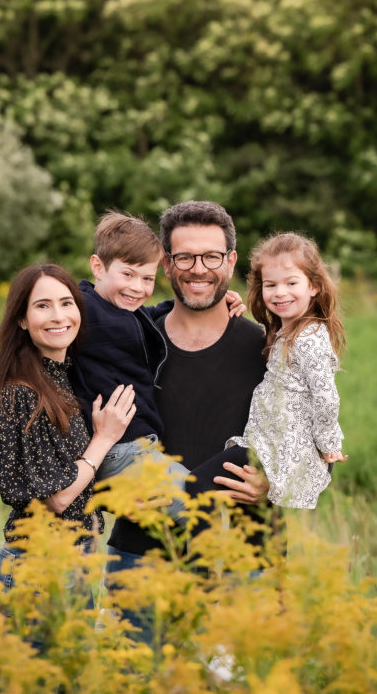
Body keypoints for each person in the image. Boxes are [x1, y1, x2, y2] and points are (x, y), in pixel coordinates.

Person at [0, 211, 245, 516]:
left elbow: (152, 313)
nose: (138, 288)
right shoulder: (84, 308)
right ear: (98, 267)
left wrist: (215, 299)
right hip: (121, 451)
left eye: (147, 278)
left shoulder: (129, 311)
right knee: (202, 511)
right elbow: (25, 344)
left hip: (138, 449)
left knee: (202, 501)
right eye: (127, 274)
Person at [106, 200, 271, 574]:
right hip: (142, 558)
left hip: (247, 562)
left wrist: (274, 484)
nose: (199, 270)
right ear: (166, 264)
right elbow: (75, 425)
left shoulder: (270, 350)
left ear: (231, 261)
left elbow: (319, 447)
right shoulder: (129, 340)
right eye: (185, 258)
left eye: (212, 257)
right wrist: (112, 494)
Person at [0, 262, 136, 591]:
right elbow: (59, 497)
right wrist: (104, 438)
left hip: (73, 557)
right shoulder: (20, 395)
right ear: (22, 320)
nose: (58, 316)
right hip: (38, 563)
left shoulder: (61, 376)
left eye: (67, 303)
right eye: (43, 306)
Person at [226, 232, 347, 509]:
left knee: (200, 492)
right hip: (264, 443)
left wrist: (329, 445)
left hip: (284, 450)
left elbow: (326, 398)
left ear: (314, 286)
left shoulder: (310, 338)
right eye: (271, 285)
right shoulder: (285, 331)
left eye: (291, 282)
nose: (280, 292)